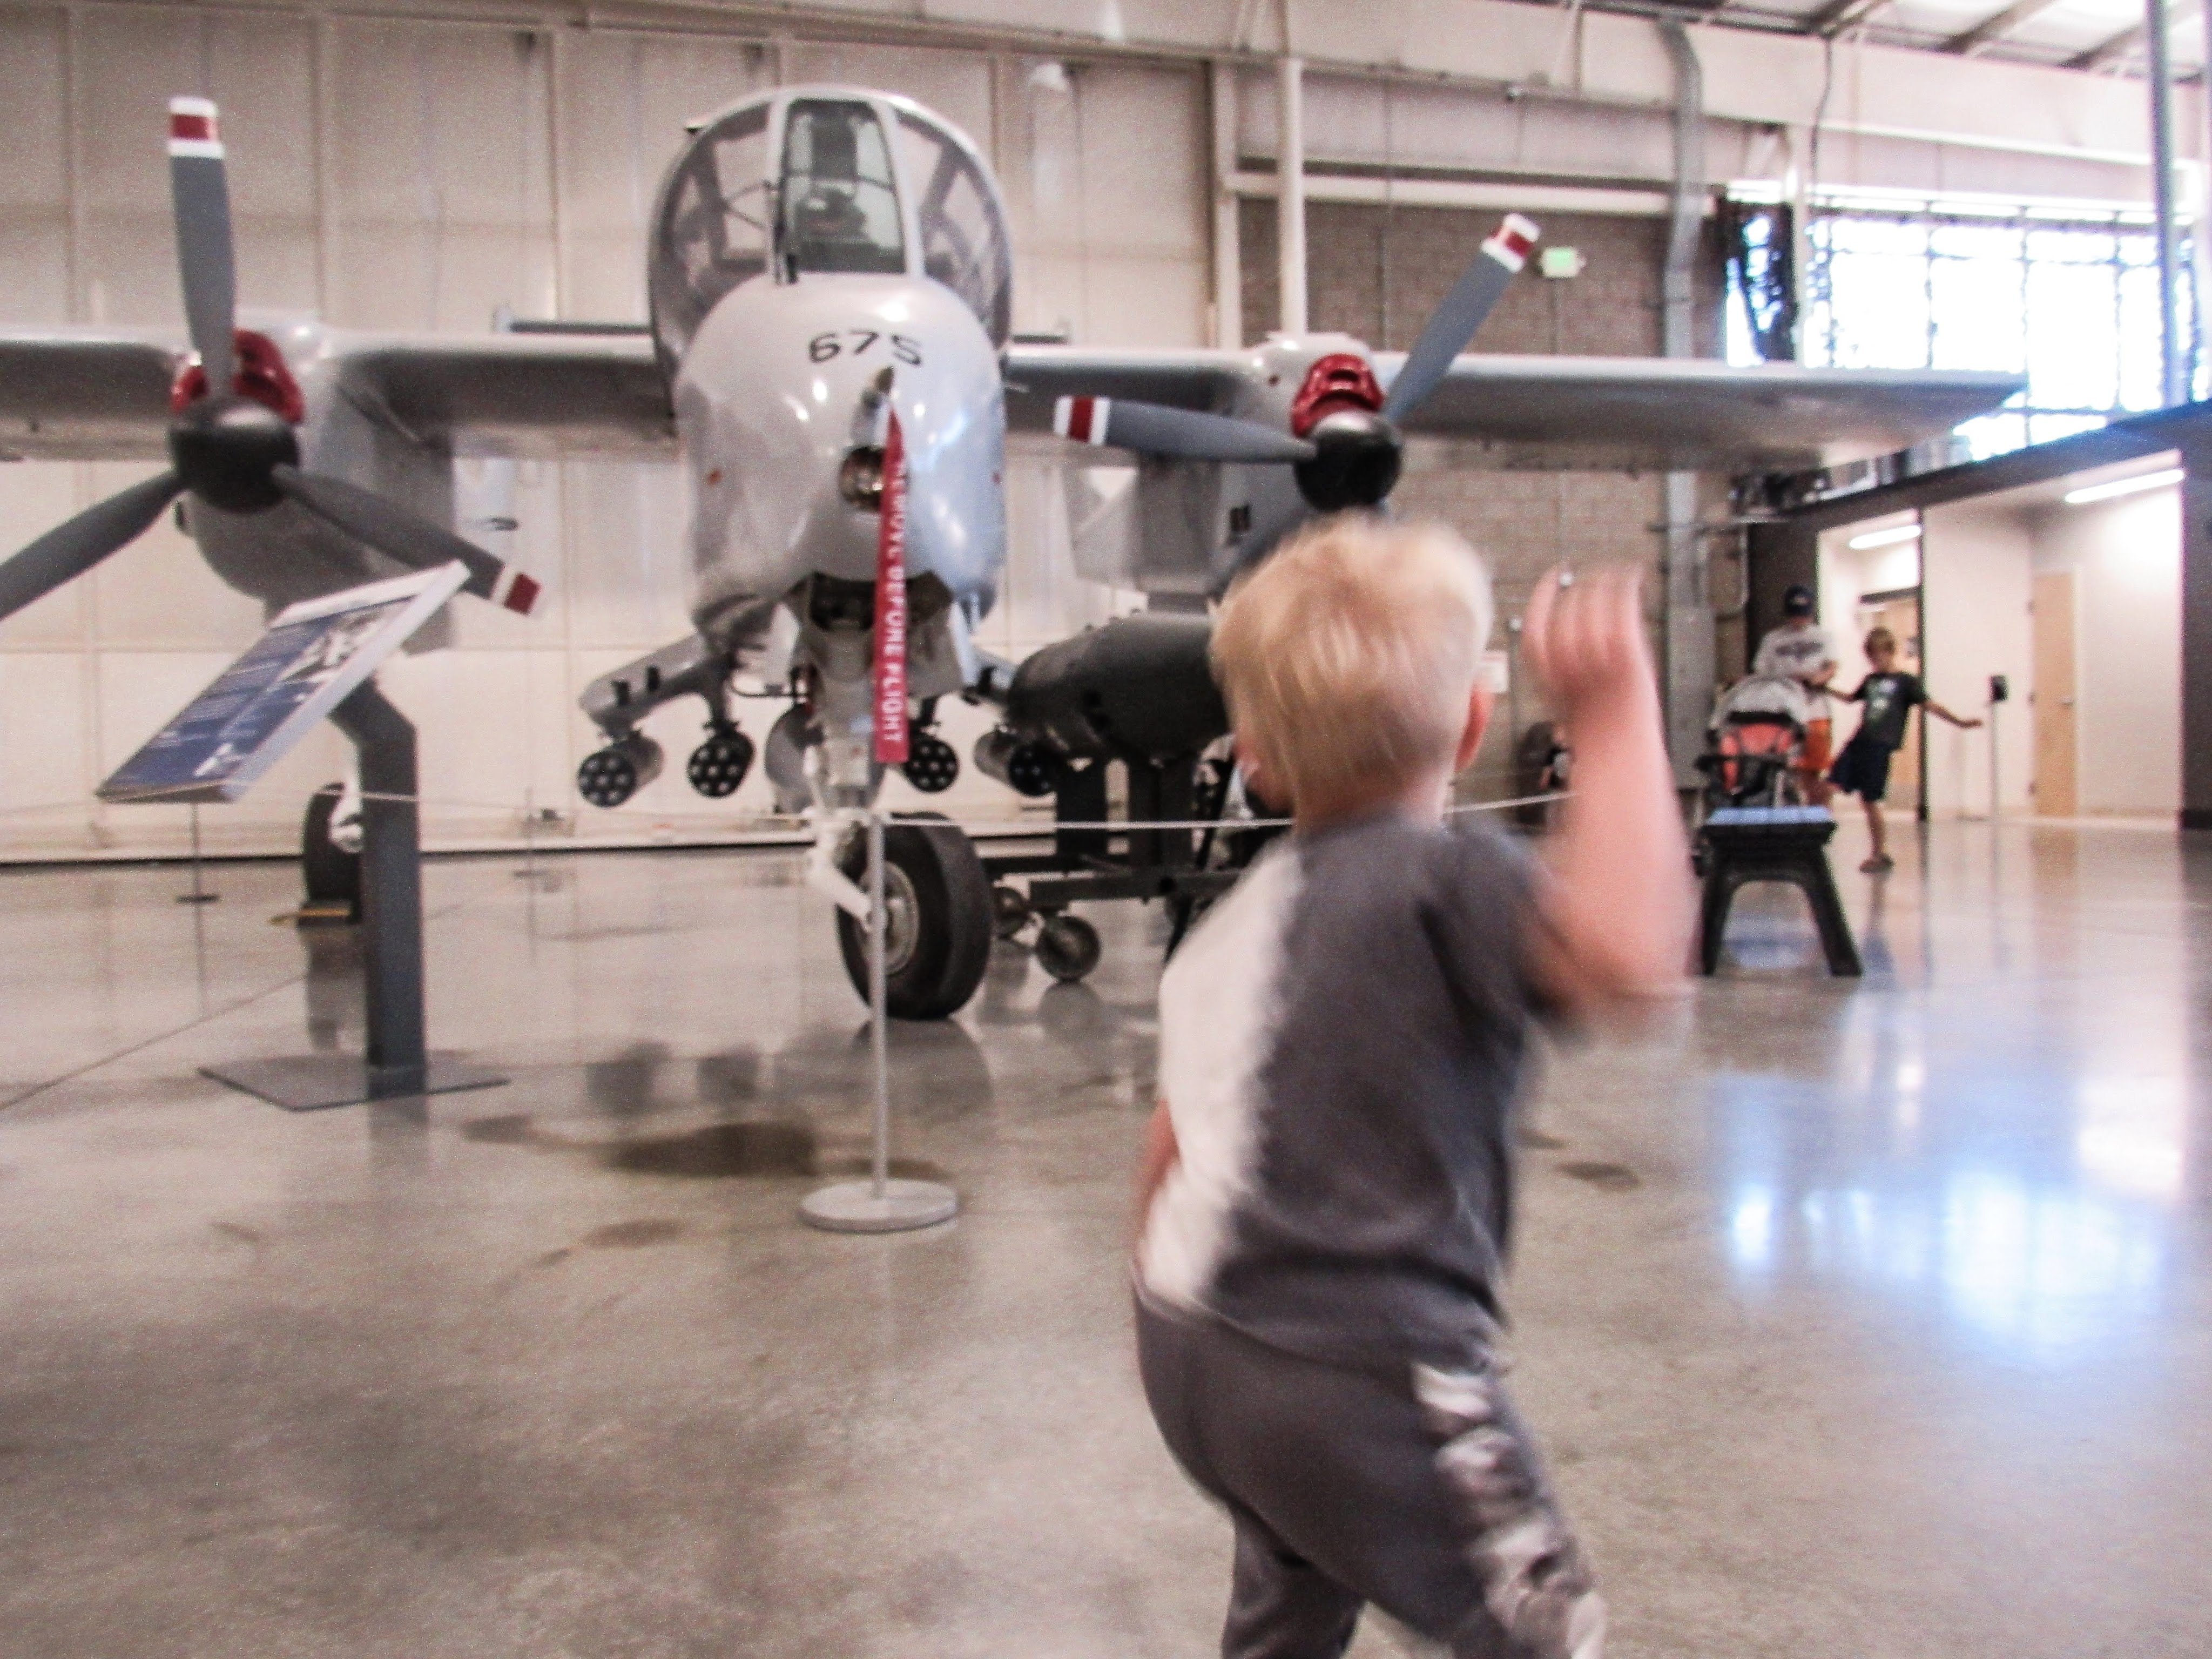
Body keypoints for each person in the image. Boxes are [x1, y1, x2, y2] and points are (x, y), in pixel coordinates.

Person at [1132, 518, 1688, 1659]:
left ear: (1254, 757)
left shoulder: (1227, 926)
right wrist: (1614, 717)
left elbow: (1171, 1144)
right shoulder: (1450, 879)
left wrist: (1183, 1321)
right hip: (1360, 1372)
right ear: (1474, 723)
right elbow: (1632, 963)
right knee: (1542, 1632)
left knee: (1298, 1568)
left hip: (1188, 1347)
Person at [1827, 625, 1980, 873]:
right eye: (1872, 657)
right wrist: (1823, 688)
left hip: (1880, 746)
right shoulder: (1871, 680)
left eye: (1880, 655)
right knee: (1828, 785)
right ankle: (1819, 842)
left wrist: (1960, 722)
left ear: (1890, 652)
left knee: (1870, 800)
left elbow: (1931, 706)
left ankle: (1879, 853)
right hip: (1859, 742)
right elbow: (1850, 698)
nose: (1876, 661)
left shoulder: (1906, 682)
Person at [1751, 583, 1837, 804]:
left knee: (1816, 767)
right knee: (1788, 767)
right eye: (1796, 615)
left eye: (1804, 614)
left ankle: (1819, 813)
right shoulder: (1773, 640)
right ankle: (1793, 808)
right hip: (1784, 712)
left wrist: (1817, 678)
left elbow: (1832, 667)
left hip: (1815, 711)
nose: (1800, 620)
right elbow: (1760, 672)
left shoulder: (1824, 637)